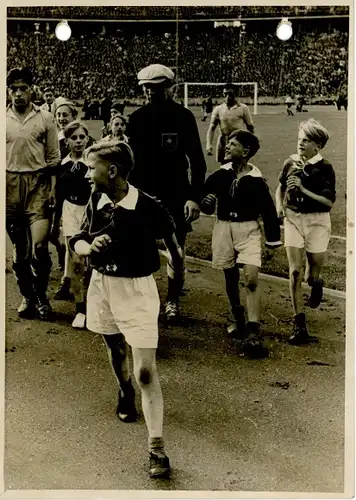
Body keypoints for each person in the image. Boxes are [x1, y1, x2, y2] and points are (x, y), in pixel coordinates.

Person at [69, 140, 184, 478]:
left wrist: (174, 296)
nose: (88, 174)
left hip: (137, 290)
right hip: (102, 285)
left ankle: (156, 449)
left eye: (93, 168)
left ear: (113, 170)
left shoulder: (149, 207)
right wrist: (88, 246)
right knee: (114, 347)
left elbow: (176, 255)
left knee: (146, 371)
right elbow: (77, 237)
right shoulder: (96, 198)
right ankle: (123, 390)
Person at [127, 64, 207, 321]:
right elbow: (129, 162)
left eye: (156, 87)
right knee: (141, 250)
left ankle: (172, 300)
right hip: (142, 194)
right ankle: (146, 301)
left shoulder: (183, 117)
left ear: (168, 87)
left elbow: (197, 160)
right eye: (146, 87)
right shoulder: (137, 118)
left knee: (176, 250)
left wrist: (194, 197)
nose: (150, 91)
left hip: (175, 194)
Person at [200, 130, 282, 358]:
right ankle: (238, 316)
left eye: (232, 144)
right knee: (230, 276)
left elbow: (268, 211)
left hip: (249, 231)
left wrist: (272, 240)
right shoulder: (219, 176)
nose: (226, 146)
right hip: (224, 228)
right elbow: (205, 199)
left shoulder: (257, 181)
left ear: (245, 151)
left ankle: (253, 329)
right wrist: (206, 202)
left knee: (251, 278)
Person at [275, 119, 336, 345]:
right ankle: (299, 323)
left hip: (318, 222)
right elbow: (280, 187)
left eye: (307, 140)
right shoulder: (290, 162)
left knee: (311, 276)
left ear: (317, 146)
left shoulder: (325, 168)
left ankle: (317, 282)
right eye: (300, 139)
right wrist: (279, 206)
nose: (301, 143)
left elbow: (328, 203)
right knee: (295, 272)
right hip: (293, 219)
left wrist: (303, 189)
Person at [6, 67, 60, 320]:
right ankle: (27, 294)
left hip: (38, 184)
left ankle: (41, 296)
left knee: (39, 246)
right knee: (20, 250)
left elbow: (53, 157)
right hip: (9, 186)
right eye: (13, 89)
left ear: (31, 90)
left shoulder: (45, 117)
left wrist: (52, 189)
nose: (18, 93)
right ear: (8, 91)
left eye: (23, 88)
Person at [54, 121, 92, 328]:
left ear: (87, 139)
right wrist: (55, 223)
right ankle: (80, 310)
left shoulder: (93, 162)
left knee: (93, 263)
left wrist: (93, 212)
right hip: (70, 211)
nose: (78, 141)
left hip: (91, 212)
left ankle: (96, 306)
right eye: (74, 138)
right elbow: (59, 196)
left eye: (81, 137)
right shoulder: (63, 165)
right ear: (67, 141)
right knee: (76, 261)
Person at [206, 83, 254, 164]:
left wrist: (252, 142)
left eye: (230, 94)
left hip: (237, 142)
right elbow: (212, 128)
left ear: (235, 94)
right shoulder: (218, 109)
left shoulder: (243, 108)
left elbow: (250, 127)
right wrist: (209, 144)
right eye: (225, 94)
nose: (227, 96)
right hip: (223, 141)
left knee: (237, 166)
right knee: (223, 167)